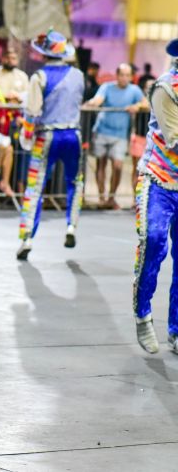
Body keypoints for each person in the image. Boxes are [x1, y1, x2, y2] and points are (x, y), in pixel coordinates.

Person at [16, 30, 85, 260]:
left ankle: (27, 237)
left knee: (35, 186)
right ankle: (71, 226)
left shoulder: (39, 77)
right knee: (75, 181)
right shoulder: (78, 75)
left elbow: (32, 110)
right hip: (73, 134)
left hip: (47, 136)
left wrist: (26, 135)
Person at [132, 39, 178, 354]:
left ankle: (175, 329)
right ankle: (142, 312)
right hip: (159, 179)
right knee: (154, 240)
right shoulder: (166, 88)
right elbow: (175, 139)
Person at [85, 64, 148, 209]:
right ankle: (102, 197)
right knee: (101, 163)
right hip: (102, 130)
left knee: (118, 166)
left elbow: (145, 102)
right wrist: (91, 104)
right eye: (122, 75)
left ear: (131, 77)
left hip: (120, 134)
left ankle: (111, 197)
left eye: (127, 75)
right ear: (117, 75)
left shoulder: (134, 90)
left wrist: (137, 106)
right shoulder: (107, 87)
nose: (124, 78)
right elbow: (98, 99)